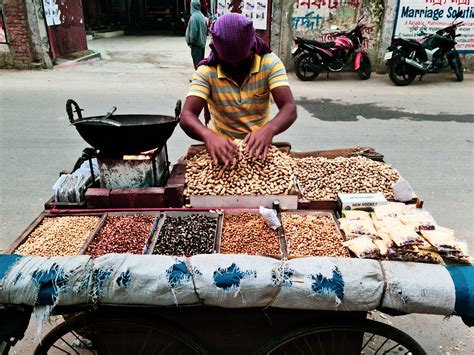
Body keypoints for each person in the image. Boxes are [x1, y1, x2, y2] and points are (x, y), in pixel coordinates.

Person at [180, 13, 297, 166]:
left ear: (251, 47)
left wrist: (270, 129)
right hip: (220, 148)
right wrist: (208, 135)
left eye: (241, 62)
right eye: (228, 63)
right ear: (216, 50)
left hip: (258, 148)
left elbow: (289, 107)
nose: (235, 67)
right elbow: (187, 115)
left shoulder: (269, 63)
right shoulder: (207, 71)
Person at [185, 0, 208, 69]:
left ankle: (199, 78)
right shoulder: (201, 16)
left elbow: (193, 32)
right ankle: (201, 77)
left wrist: (191, 41)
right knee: (200, 63)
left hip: (196, 44)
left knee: (197, 63)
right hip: (201, 43)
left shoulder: (194, 17)